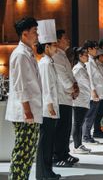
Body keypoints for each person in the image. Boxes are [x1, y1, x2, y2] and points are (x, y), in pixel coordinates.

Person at [6, 17, 42, 180]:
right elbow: (20, 85)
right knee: (22, 152)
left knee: (28, 153)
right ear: (25, 34)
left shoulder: (27, 53)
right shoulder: (20, 54)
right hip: (25, 113)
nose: (37, 35)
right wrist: (27, 111)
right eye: (34, 32)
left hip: (31, 111)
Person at [35, 19, 61, 180]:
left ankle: (47, 171)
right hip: (47, 109)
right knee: (45, 143)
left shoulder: (49, 62)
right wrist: (50, 104)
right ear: (46, 47)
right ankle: (43, 174)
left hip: (52, 107)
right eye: (54, 45)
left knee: (49, 142)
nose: (56, 48)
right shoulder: (44, 63)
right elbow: (45, 87)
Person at [52, 29, 79, 167]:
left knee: (66, 128)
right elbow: (63, 77)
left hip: (67, 97)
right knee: (61, 129)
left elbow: (70, 75)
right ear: (57, 41)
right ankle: (57, 157)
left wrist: (75, 87)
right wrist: (72, 89)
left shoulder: (63, 55)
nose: (68, 40)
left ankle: (64, 153)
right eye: (65, 38)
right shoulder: (56, 56)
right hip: (61, 98)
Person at [72, 47, 92, 154]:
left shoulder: (82, 67)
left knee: (79, 123)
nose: (88, 56)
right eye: (86, 55)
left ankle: (79, 144)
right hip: (79, 100)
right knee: (77, 123)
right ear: (80, 56)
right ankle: (76, 146)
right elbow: (72, 82)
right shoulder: (78, 69)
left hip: (83, 99)